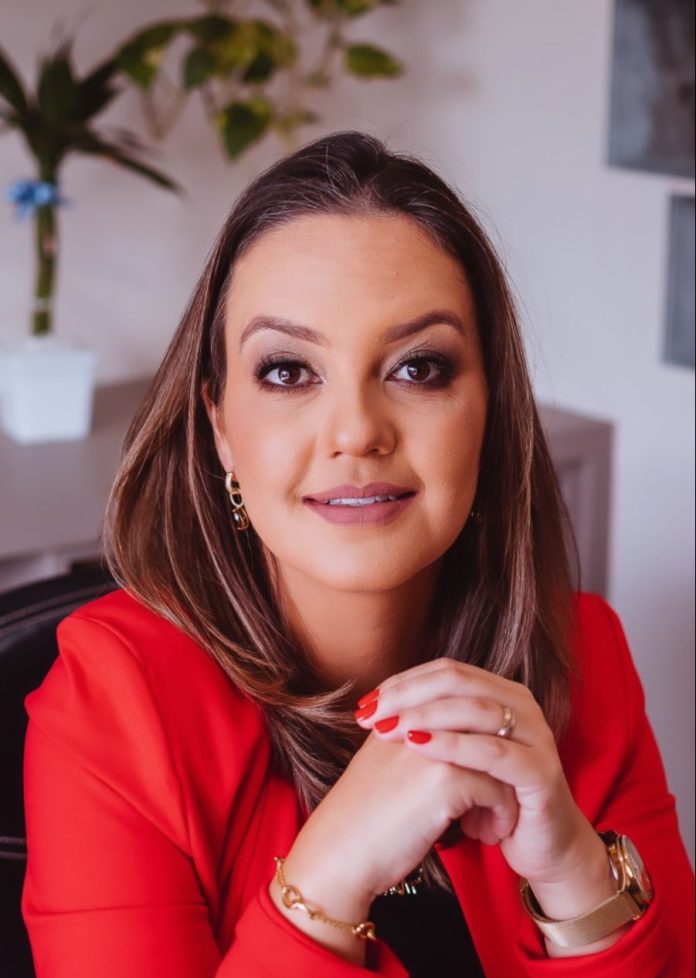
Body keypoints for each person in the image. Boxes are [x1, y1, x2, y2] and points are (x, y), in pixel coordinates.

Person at [22, 132, 693, 978]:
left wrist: (573, 874)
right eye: (288, 372)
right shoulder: (113, 705)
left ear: (489, 410)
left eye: (419, 367)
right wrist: (329, 880)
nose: (357, 432)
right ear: (220, 427)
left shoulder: (585, 654)